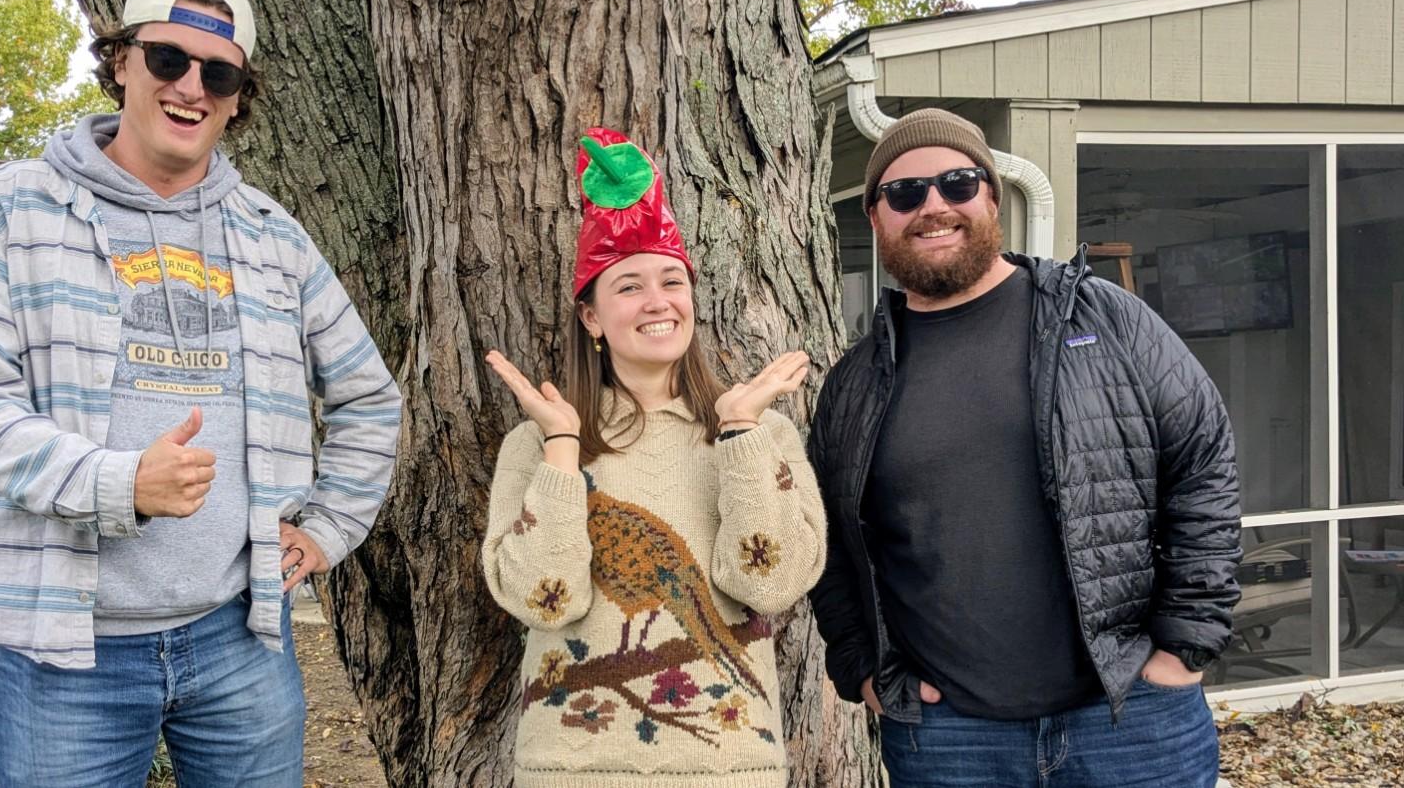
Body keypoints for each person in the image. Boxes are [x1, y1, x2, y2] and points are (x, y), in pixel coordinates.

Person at [0, 0, 401, 787]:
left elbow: (369, 396)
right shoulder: (9, 210)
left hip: (238, 637)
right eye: (167, 60)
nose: (191, 88)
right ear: (119, 61)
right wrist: (120, 483)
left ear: (237, 96)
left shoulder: (270, 238)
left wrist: (326, 528)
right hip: (65, 651)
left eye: (219, 75)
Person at [806, 108, 1242, 787]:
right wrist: (861, 666)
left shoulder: (1103, 318)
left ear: (990, 197)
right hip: (950, 741)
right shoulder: (853, 386)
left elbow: (1203, 462)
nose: (933, 206)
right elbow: (827, 538)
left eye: (956, 183)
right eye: (905, 193)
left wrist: (1185, 644)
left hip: (1130, 720)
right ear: (876, 217)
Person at [480, 128, 827, 787]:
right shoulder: (537, 444)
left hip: (729, 768)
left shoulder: (762, 434)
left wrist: (740, 436)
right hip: (574, 768)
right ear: (591, 317)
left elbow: (770, 586)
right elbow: (544, 602)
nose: (658, 301)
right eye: (629, 286)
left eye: (672, 281)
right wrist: (560, 452)